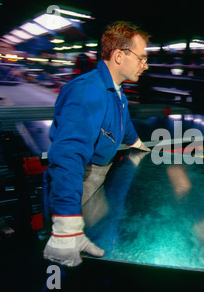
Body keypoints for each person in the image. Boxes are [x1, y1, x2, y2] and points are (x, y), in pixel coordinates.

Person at [43, 21, 151, 267]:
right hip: (78, 187)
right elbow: (68, 157)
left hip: (97, 182)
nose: (145, 65)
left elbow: (124, 126)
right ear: (119, 56)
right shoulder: (88, 92)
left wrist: (144, 151)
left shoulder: (115, 92)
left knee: (100, 248)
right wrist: (66, 227)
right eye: (141, 58)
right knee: (69, 261)